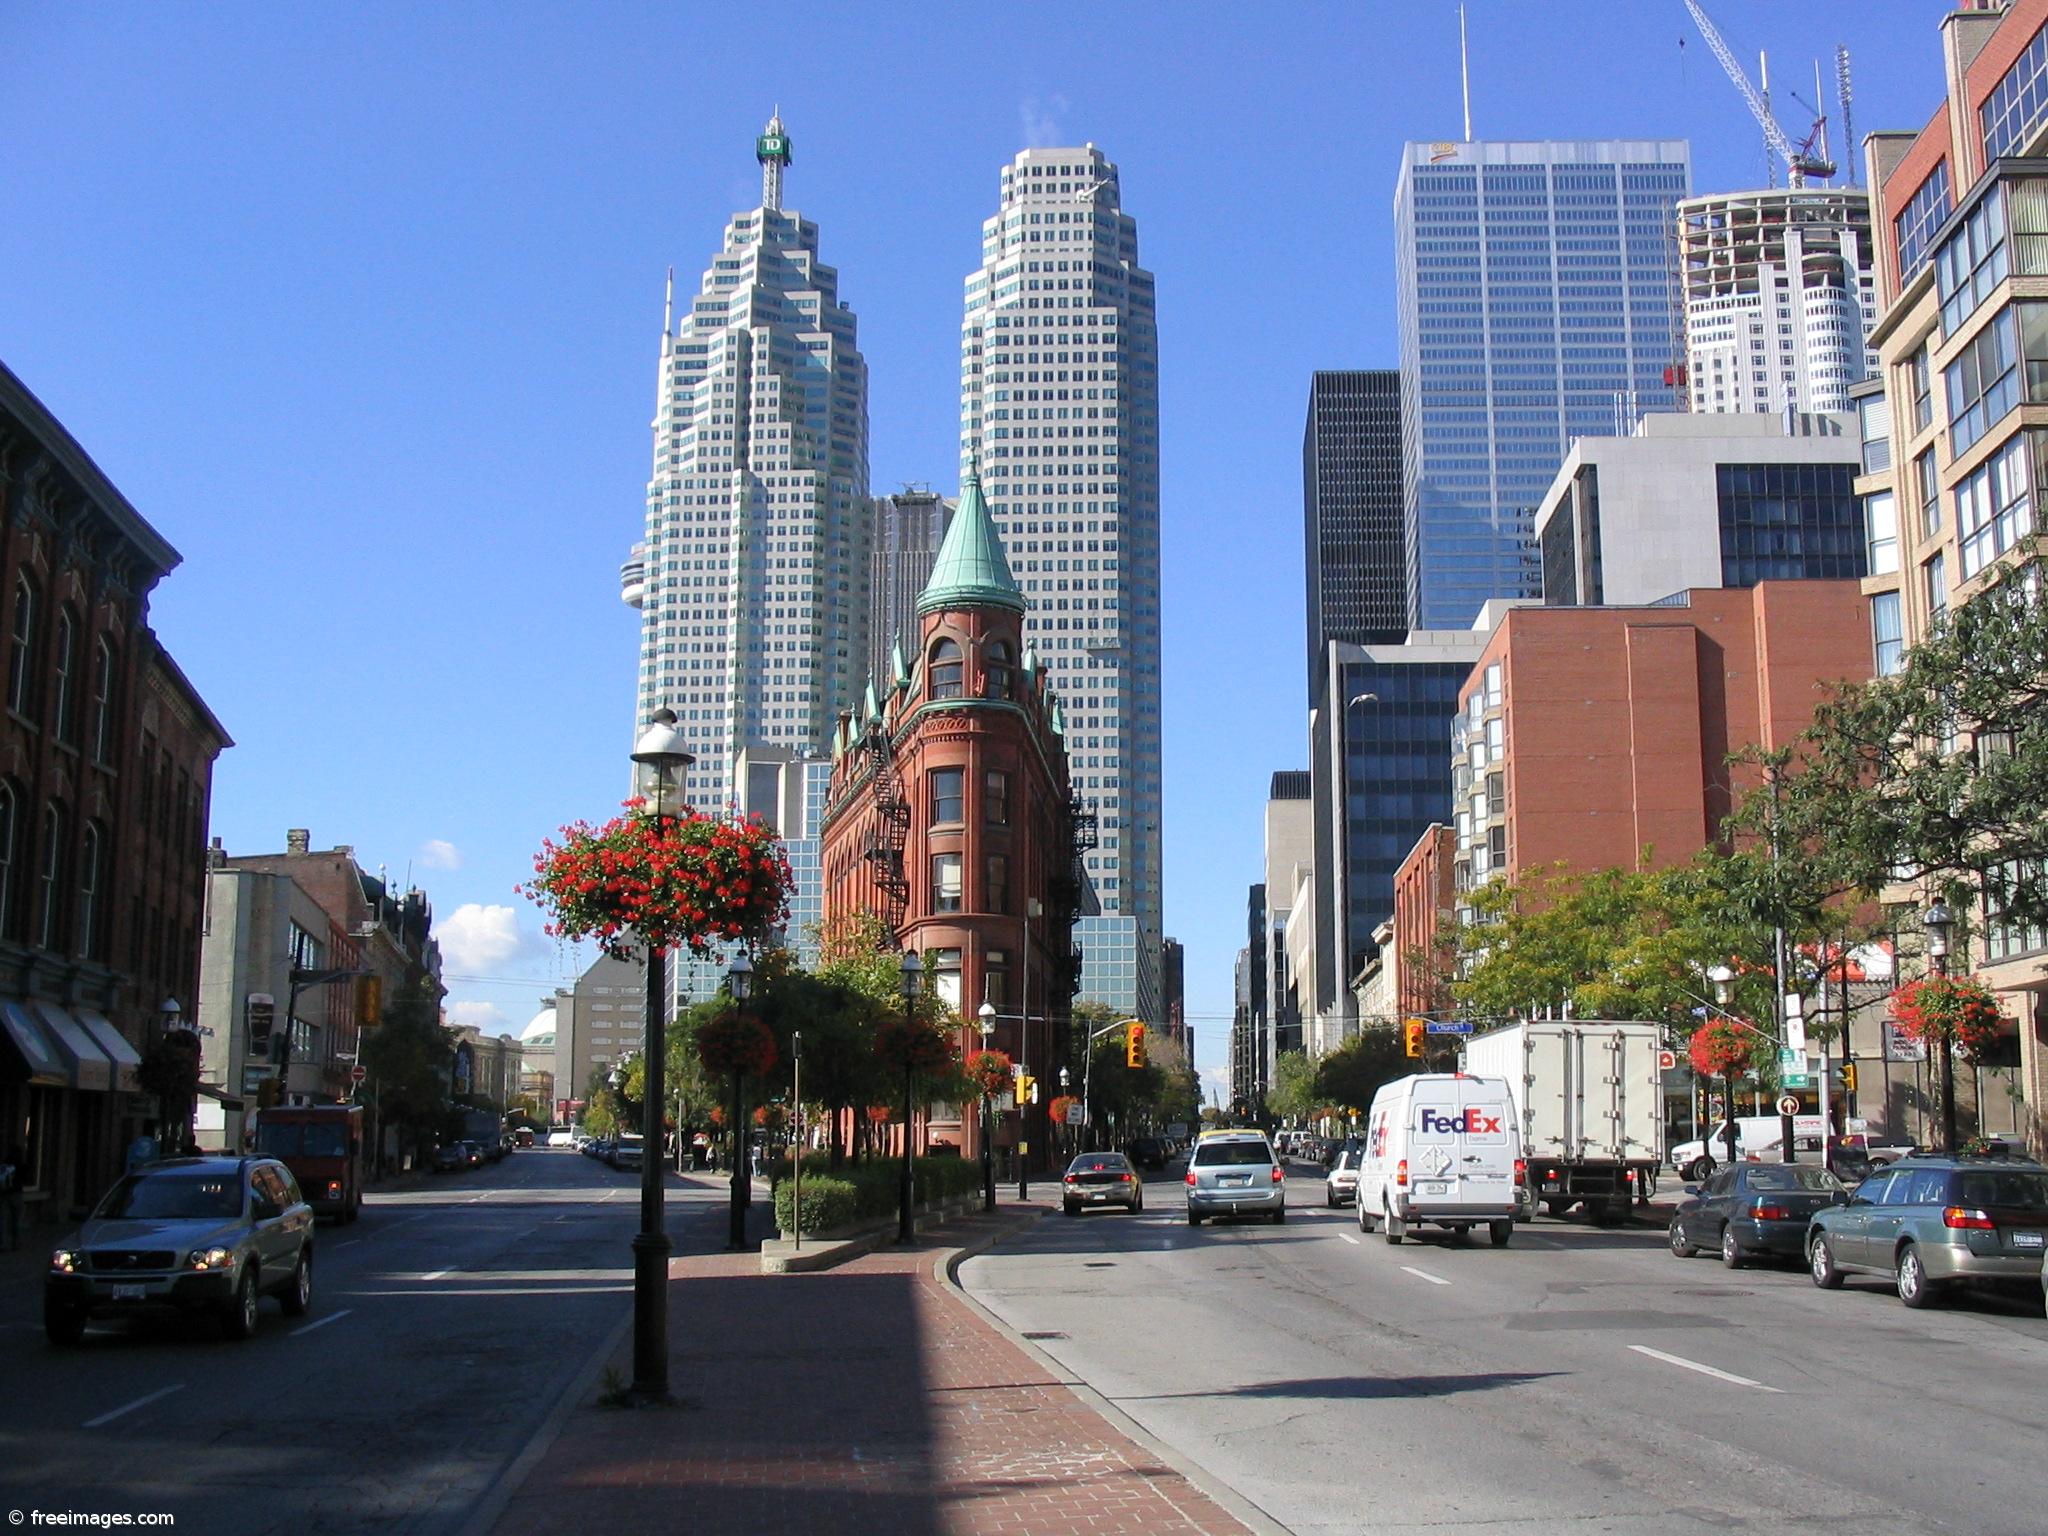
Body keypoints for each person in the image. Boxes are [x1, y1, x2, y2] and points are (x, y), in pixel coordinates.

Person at [0, 1142, 24, 1252]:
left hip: (5, 1194)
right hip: (17, 1194)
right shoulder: (21, 1165)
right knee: (16, 1220)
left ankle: (3, 1244)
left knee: (3, 1220)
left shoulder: (5, 1165)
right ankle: (16, 1243)